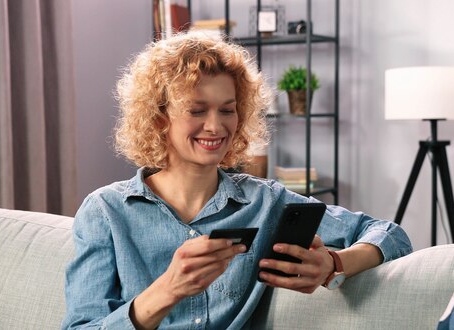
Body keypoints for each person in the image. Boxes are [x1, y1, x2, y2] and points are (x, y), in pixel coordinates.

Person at [62, 32, 413, 330]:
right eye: (197, 110)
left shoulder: (266, 202)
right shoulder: (106, 211)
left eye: (227, 110)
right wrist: (167, 290)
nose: (216, 126)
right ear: (158, 118)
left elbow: (390, 235)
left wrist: (334, 265)